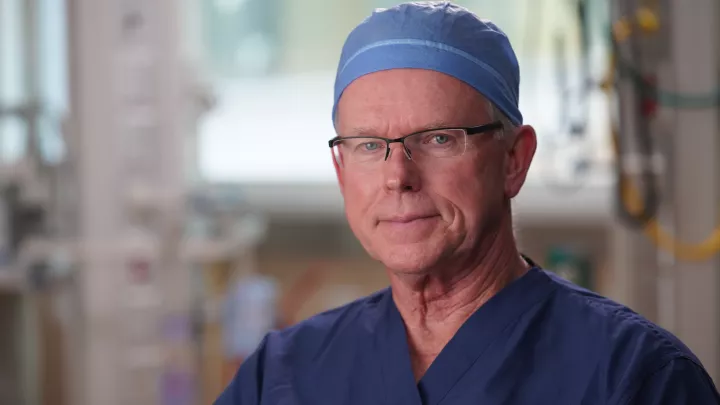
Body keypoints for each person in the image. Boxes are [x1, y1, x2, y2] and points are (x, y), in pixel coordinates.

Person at [215, 2, 720, 404]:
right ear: (341, 173)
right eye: (369, 145)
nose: (398, 176)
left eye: (437, 139)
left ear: (513, 160)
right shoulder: (282, 376)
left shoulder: (633, 378)